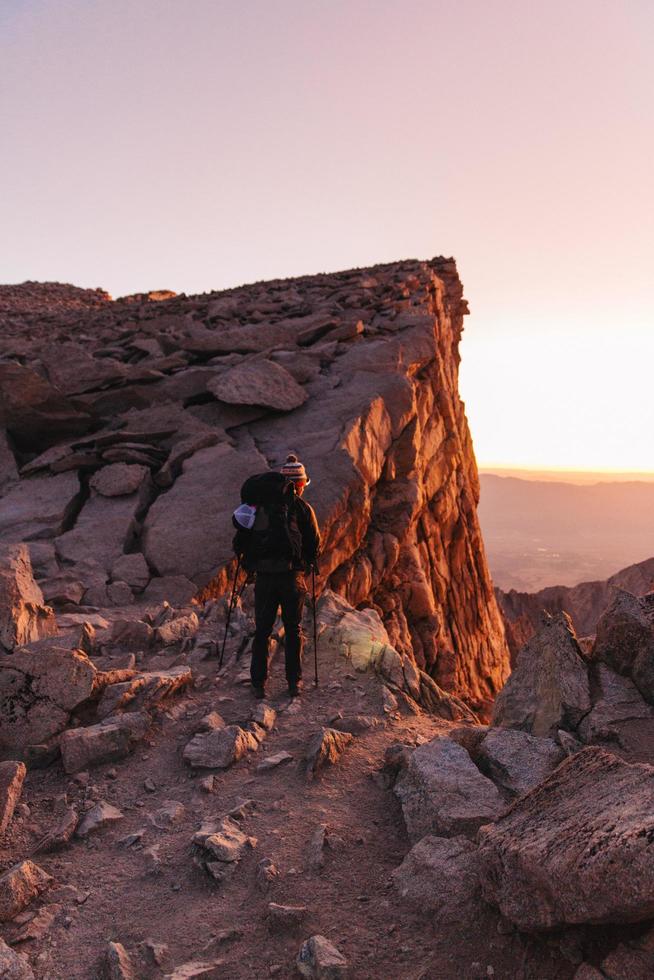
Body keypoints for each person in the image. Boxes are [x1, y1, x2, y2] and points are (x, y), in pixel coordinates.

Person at [234, 453, 320, 699]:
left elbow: (244, 537)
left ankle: (258, 683)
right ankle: (294, 683)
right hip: (291, 577)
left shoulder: (259, 506)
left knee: (262, 630)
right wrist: (308, 562)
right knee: (293, 629)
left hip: (263, 577)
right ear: (300, 485)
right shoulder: (302, 508)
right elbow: (314, 542)